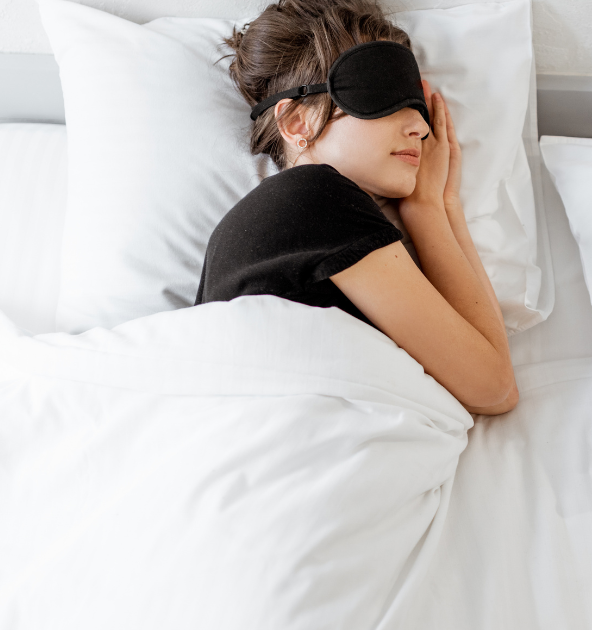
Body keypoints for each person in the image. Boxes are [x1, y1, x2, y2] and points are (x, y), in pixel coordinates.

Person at [195, 0, 518, 415]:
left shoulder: (269, 221)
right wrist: (428, 211)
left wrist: (443, 203)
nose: (420, 127)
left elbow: (494, 379)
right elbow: (494, 389)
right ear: (297, 123)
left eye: (417, 104)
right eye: (383, 94)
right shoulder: (313, 196)